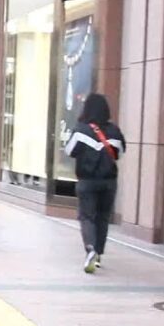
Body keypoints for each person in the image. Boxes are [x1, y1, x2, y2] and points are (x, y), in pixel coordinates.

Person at [65, 93, 125, 274]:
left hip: (87, 181)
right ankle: (98, 253)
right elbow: (120, 152)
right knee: (103, 217)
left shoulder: (80, 130)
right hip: (108, 182)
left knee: (87, 216)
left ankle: (90, 249)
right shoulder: (114, 131)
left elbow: (69, 151)